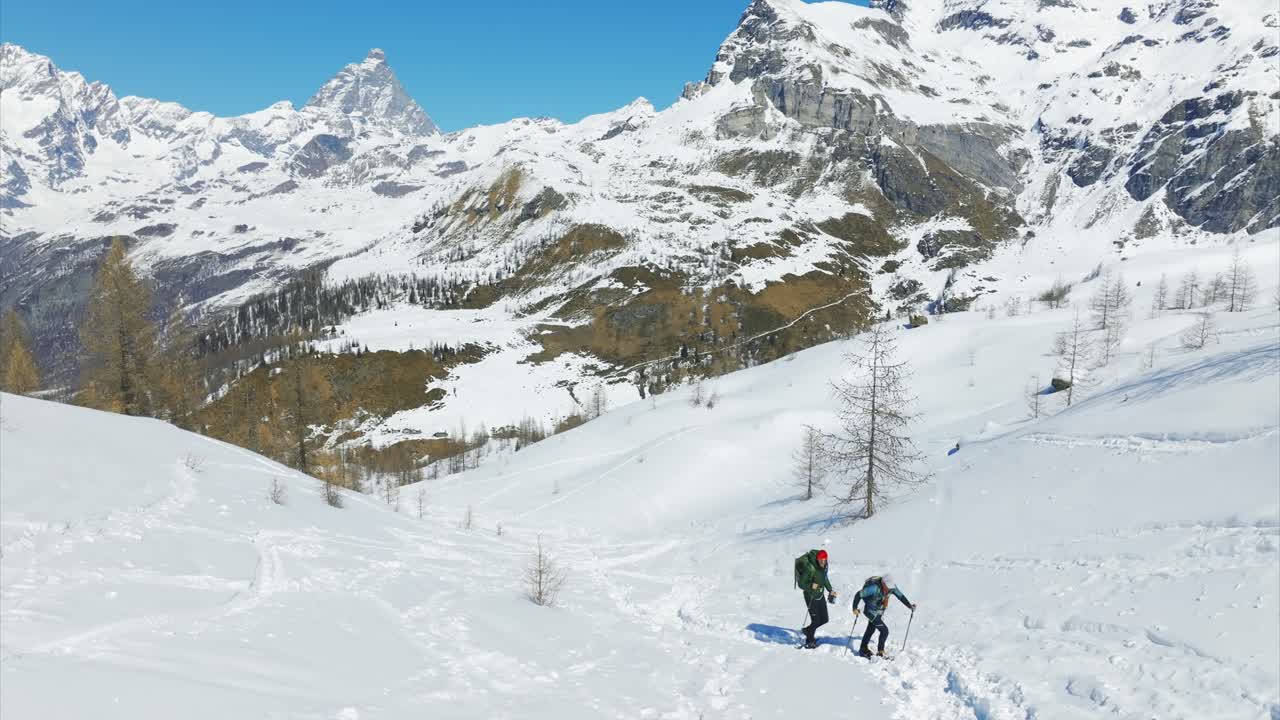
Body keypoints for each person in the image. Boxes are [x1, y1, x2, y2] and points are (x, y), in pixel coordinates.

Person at [851, 574, 916, 658]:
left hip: (878, 612)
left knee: (871, 629)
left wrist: (909, 606)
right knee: (884, 631)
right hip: (870, 611)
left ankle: (863, 649)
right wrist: (854, 608)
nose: (889, 589)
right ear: (883, 583)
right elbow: (858, 595)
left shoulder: (892, 588)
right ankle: (880, 652)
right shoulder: (874, 588)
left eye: (890, 587)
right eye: (887, 586)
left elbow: (900, 596)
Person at [795, 549, 837, 649]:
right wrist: (810, 586)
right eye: (821, 560)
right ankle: (810, 640)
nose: (823, 562)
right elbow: (801, 583)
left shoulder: (825, 566)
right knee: (816, 621)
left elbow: (825, 578)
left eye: (825, 560)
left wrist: (830, 590)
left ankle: (807, 630)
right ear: (817, 559)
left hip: (820, 595)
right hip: (811, 596)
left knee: (824, 619)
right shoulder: (810, 568)